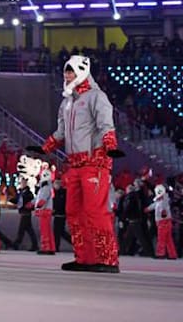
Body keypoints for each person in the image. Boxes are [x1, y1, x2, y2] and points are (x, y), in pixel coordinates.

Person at [35, 54, 121, 274]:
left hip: (94, 162)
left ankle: (107, 258)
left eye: (70, 70)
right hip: (74, 164)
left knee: (95, 211)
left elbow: (105, 124)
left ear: (82, 71)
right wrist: (45, 148)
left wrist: (110, 145)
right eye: (65, 71)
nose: (67, 75)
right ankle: (84, 257)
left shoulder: (96, 97)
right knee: (74, 212)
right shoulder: (67, 102)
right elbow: (62, 132)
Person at [146, 184, 177, 259]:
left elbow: (162, 209)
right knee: (168, 239)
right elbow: (155, 205)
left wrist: (163, 214)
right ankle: (172, 255)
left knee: (161, 239)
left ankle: (160, 254)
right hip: (165, 221)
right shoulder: (162, 199)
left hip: (163, 222)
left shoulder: (163, 200)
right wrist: (148, 209)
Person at [11, 176, 38, 252]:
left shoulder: (28, 193)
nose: (22, 184)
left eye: (23, 182)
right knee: (29, 230)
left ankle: (16, 244)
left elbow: (28, 201)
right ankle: (34, 245)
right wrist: (9, 197)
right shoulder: (22, 192)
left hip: (26, 213)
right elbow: (17, 200)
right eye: (21, 182)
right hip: (24, 213)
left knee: (22, 230)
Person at [35, 165, 57, 255]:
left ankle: (46, 247)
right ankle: (51, 247)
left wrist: (37, 206)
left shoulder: (45, 188)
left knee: (44, 230)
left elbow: (42, 199)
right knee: (48, 230)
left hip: (44, 211)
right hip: (46, 210)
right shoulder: (46, 187)